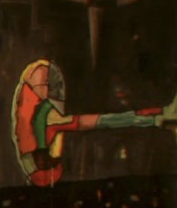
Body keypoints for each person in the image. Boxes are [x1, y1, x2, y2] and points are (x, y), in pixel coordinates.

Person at [12, 58, 169, 186]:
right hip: (45, 108)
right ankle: (157, 116)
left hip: (45, 103)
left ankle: (157, 116)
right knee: (113, 120)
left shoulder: (46, 127)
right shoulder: (46, 130)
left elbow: (93, 122)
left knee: (112, 120)